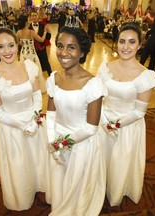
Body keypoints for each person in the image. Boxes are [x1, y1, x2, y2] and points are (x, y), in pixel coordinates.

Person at [0, 28, 47, 210]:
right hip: (11, 127)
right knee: (19, 164)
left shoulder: (29, 66)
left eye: (10, 45)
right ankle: (22, 195)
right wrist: (22, 125)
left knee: (38, 158)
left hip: (34, 122)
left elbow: (37, 94)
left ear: (18, 45)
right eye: (1, 47)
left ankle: (40, 184)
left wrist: (35, 117)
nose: (7, 51)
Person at [97, 22, 155, 206]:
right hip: (103, 121)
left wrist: (114, 125)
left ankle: (117, 190)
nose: (126, 47)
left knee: (119, 163)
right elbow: (97, 97)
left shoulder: (145, 76)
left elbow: (139, 112)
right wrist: (103, 120)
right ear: (116, 42)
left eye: (132, 42)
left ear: (140, 45)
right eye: (122, 41)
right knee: (101, 160)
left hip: (127, 126)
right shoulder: (105, 67)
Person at [45, 26, 107, 215]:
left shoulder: (92, 83)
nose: (64, 53)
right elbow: (50, 113)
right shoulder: (54, 78)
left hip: (81, 144)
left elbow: (90, 128)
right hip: (57, 139)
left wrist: (62, 143)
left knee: (77, 186)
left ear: (82, 53)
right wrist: (51, 141)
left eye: (71, 48)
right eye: (60, 46)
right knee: (61, 181)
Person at [16, 14, 48, 93]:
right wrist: (45, 32)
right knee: (36, 71)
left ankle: (27, 89)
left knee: (25, 71)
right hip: (32, 54)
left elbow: (16, 42)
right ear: (27, 23)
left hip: (23, 54)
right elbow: (41, 40)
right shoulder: (31, 32)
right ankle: (37, 87)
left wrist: (21, 43)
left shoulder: (18, 32)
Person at [29, 10, 52, 76]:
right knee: (34, 65)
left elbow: (48, 37)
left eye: (35, 15)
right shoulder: (28, 27)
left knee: (47, 64)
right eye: (32, 16)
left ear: (38, 16)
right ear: (30, 17)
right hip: (33, 50)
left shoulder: (42, 25)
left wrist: (49, 31)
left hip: (42, 48)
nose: (34, 17)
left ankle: (51, 78)